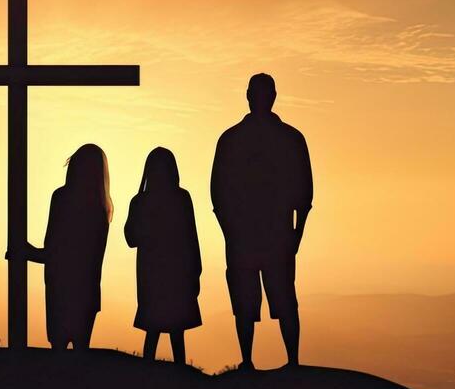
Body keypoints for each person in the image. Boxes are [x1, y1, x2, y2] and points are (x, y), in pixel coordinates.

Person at [210, 73, 314, 369]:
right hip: (272, 235)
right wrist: (296, 235)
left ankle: (254, 361)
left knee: (261, 300)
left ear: (248, 96)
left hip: (254, 235)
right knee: (273, 299)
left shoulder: (232, 139)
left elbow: (218, 194)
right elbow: (304, 195)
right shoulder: (290, 138)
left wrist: (230, 231)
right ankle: (283, 361)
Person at [24, 144, 111, 351]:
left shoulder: (62, 198)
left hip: (60, 287)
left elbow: (53, 251)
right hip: (87, 291)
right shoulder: (102, 208)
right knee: (81, 353)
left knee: (58, 351)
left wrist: (28, 252)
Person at [125, 147, 202, 365]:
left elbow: (130, 238)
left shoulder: (140, 201)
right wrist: (195, 271)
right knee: (175, 331)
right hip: (175, 272)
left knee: (154, 328)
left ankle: (149, 374)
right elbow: (191, 238)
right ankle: (180, 377)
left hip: (153, 272)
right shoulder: (180, 198)